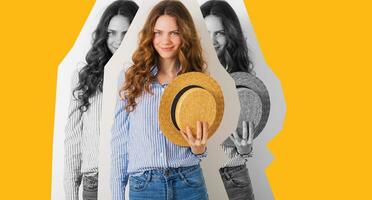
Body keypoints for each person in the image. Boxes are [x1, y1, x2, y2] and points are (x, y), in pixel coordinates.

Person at [111, 1, 210, 200]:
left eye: (174, 32)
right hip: (145, 186)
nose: (165, 40)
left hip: (189, 182)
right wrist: (117, 194)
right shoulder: (131, 78)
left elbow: (200, 139)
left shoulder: (196, 80)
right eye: (158, 32)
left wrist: (199, 149)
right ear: (150, 34)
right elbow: (120, 141)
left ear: (185, 35)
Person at [64, 1, 138, 200]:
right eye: (112, 33)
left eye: (126, 33)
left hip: (135, 181)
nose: (118, 40)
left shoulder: (146, 76)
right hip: (94, 182)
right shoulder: (84, 76)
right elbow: (73, 139)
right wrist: (71, 195)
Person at [201, 1, 255, 199]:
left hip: (236, 176)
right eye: (207, 32)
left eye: (220, 33)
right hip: (199, 177)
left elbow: (246, 130)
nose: (213, 40)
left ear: (230, 35)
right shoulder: (186, 74)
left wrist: (245, 149)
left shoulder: (242, 78)